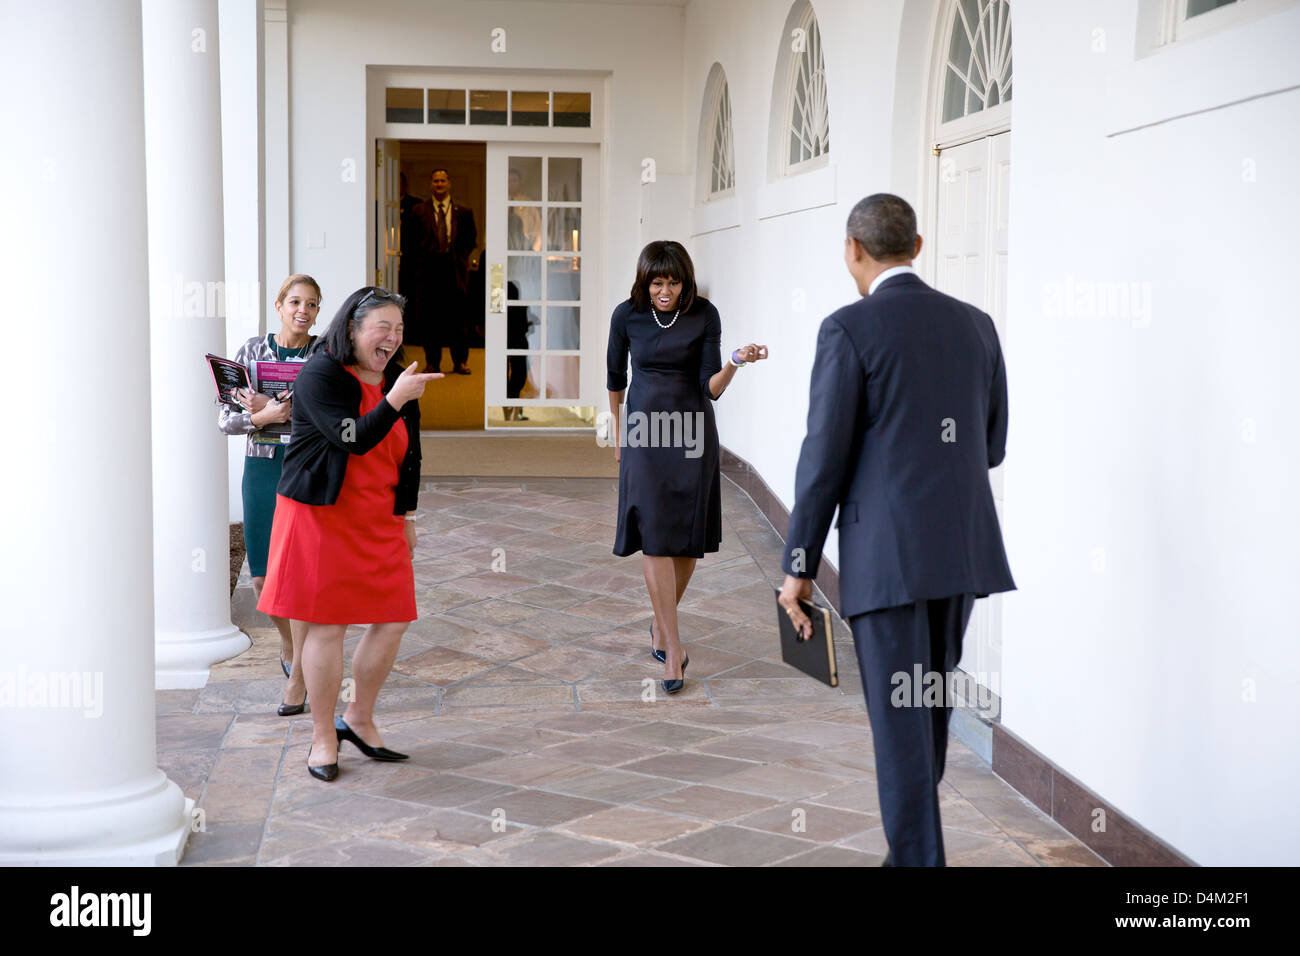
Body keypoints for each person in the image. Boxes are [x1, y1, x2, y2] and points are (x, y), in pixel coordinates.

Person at [777, 193, 1016, 867]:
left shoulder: (847, 329)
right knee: (928, 708)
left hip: (888, 562)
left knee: (899, 723)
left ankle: (916, 860)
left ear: (852, 249)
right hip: (962, 555)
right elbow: (991, 446)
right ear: (917, 246)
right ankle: (911, 854)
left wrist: (798, 566)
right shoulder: (977, 325)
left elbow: (822, 460)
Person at [257, 286, 442, 781]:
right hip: (322, 514)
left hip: (378, 516)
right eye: (382, 327)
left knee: (395, 616)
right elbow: (352, 438)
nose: (392, 337)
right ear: (353, 329)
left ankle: (358, 716)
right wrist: (396, 398)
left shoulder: (396, 377)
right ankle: (322, 737)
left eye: (398, 329)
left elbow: (411, 456)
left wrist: (407, 518)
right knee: (327, 626)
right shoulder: (321, 373)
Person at [606, 240, 768, 695]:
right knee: (654, 533)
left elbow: (710, 387)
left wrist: (735, 362)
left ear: (685, 282)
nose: (665, 291)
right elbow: (615, 379)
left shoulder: (704, 314)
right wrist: (617, 434)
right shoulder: (626, 315)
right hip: (644, 433)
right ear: (645, 282)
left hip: (692, 431)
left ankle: (660, 625)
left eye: (673, 282)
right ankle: (673, 648)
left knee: (686, 541)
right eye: (657, 282)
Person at [217, 274, 322, 717]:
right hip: (261, 468)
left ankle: (300, 672)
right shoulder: (251, 352)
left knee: (300, 575)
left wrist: (287, 409)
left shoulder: (323, 355)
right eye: (295, 301)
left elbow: (332, 414)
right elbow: (226, 419)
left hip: (307, 468)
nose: (304, 310)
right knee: (263, 579)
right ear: (279, 305)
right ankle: (287, 640)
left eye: (313, 304)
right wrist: (267, 415)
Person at [406, 168, 477, 374]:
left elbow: (471, 239)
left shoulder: (463, 212)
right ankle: (432, 362)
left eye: (442, 181)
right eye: (435, 181)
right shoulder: (419, 210)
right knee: (430, 319)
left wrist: (460, 256)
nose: (439, 184)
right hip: (428, 272)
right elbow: (410, 240)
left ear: (449, 184)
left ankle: (460, 361)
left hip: (454, 270)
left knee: (458, 318)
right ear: (431, 184)